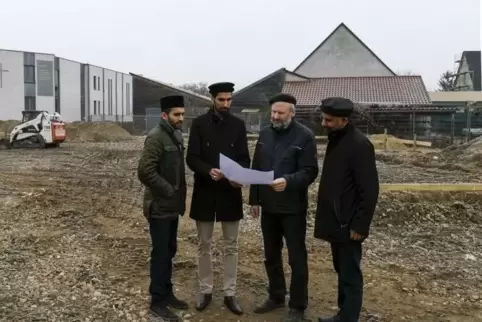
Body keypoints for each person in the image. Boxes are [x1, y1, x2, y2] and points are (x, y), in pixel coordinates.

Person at [249, 93, 319, 322]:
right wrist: (254, 199)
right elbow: (257, 166)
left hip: (293, 208)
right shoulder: (265, 134)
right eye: (273, 112)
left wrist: (288, 181)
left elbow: (310, 171)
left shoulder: (305, 137)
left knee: (296, 259)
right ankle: (276, 295)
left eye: (280, 113)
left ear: (292, 113)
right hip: (268, 207)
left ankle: (298, 305)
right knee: (271, 255)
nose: (276, 116)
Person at [186, 82, 250, 315]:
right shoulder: (199, 124)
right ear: (212, 99)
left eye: (229, 99)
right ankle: (205, 289)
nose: (225, 104)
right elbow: (191, 157)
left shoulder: (238, 125)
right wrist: (208, 170)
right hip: (205, 191)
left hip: (230, 192)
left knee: (231, 246)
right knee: (204, 245)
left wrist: (236, 175)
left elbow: (245, 160)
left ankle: (230, 293)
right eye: (221, 99)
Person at [314, 97, 380, 322]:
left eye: (329, 120)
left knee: (350, 273)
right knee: (341, 269)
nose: (324, 123)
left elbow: (370, 190)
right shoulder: (338, 138)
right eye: (323, 118)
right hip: (337, 220)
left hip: (348, 223)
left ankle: (349, 318)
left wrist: (360, 225)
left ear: (344, 120)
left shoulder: (359, 145)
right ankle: (344, 314)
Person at [137, 95, 189, 322]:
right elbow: (144, 171)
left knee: (169, 250)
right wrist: (168, 190)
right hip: (159, 206)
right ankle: (157, 302)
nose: (181, 119)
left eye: (182, 115)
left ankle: (165, 292)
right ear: (164, 115)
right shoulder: (156, 137)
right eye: (176, 115)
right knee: (160, 254)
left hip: (171, 206)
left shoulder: (175, 135)